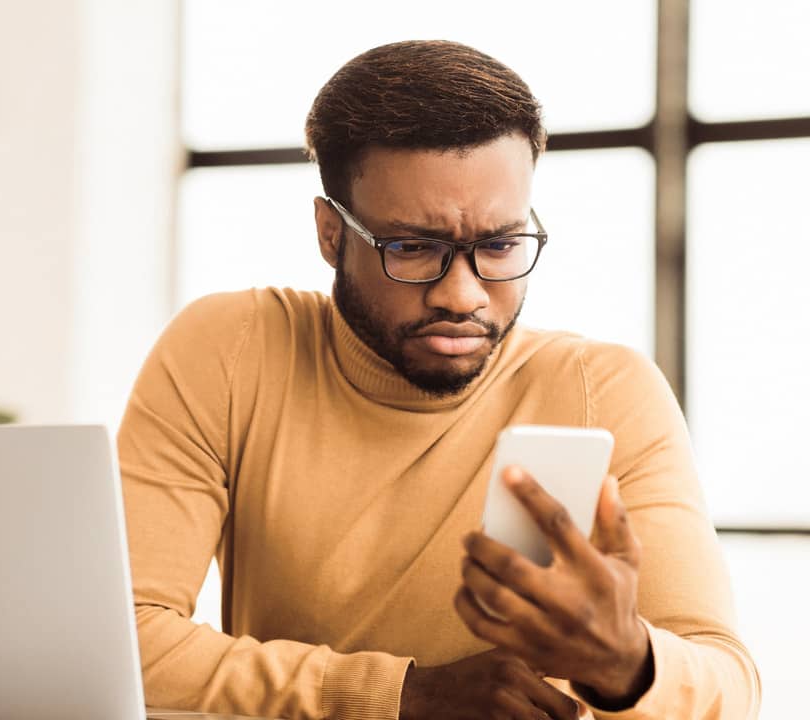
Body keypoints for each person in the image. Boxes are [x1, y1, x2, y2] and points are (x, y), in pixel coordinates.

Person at [117, 40, 760, 720]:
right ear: (332, 234)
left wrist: (625, 661)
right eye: (413, 247)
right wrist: (402, 696)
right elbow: (123, 639)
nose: (463, 294)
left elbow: (728, 685)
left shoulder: (605, 388)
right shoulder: (234, 348)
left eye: (500, 245)